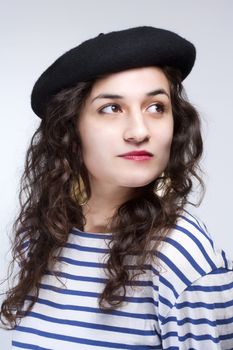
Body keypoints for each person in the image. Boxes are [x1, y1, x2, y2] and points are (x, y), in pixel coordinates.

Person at [1, 26, 233, 349]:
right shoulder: (40, 239)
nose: (139, 131)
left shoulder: (181, 257)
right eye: (112, 108)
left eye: (156, 107)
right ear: (71, 127)